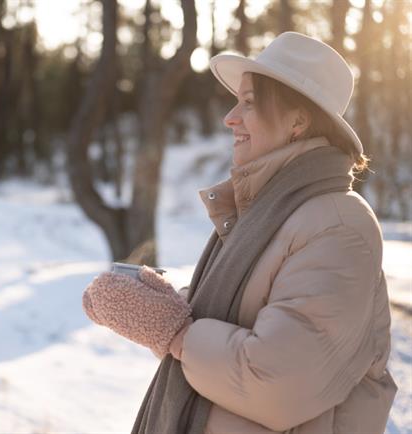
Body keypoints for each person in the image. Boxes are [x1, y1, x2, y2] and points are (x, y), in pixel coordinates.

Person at [82, 31, 398, 434]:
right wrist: (166, 303)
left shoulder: (337, 225)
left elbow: (278, 383)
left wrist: (176, 331)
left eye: (249, 102)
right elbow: (245, 317)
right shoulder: (272, 211)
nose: (230, 117)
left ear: (298, 121)